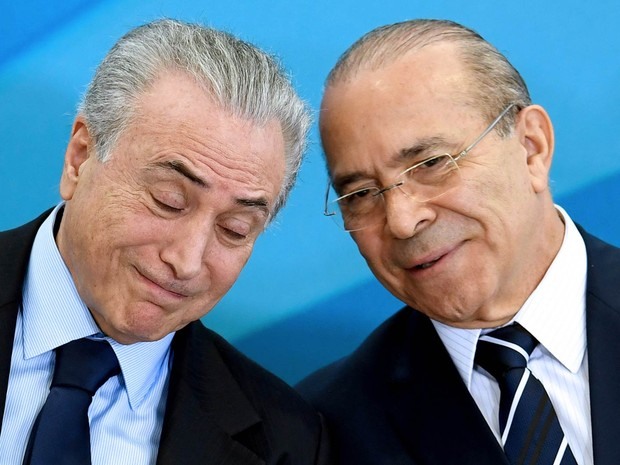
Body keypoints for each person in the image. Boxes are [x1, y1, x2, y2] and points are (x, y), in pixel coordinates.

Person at [0, 19, 330, 465]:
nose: (187, 261)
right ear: (80, 158)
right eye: (168, 201)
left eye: (234, 229)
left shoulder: (288, 442)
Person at [297, 18, 620, 465]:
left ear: (531, 148)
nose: (403, 221)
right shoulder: (326, 429)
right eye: (362, 195)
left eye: (431, 163)